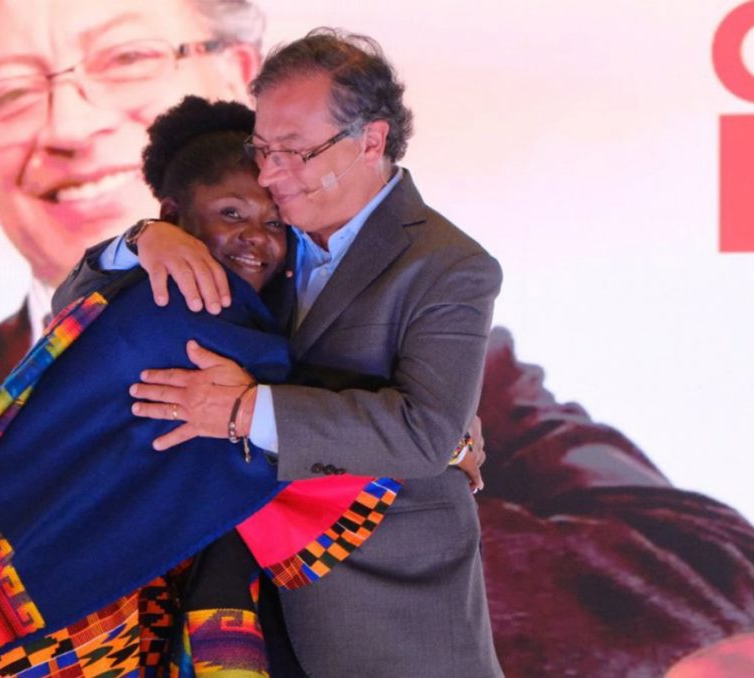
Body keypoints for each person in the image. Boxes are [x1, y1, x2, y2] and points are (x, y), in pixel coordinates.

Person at [0, 1, 754, 676]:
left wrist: (297, 450)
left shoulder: (415, 322)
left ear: (244, 78)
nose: (67, 125)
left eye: (127, 56)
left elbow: (725, 580)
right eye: (12, 91)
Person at [0, 96, 374, 677]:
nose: (256, 238)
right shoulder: (179, 311)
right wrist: (419, 431)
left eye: (275, 223)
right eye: (231, 213)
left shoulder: (178, 299)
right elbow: (297, 430)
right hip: (58, 586)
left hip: (21, 559)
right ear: (174, 217)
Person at [62, 28, 505, 677]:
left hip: (376, 620)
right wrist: (141, 241)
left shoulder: (449, 266)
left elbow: (424, 431)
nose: (270, 176)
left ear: (371, 141)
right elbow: (79, 309)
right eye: (263, 150)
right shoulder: (263, 239)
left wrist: (243, 411)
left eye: (294, 152)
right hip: (229, 601)